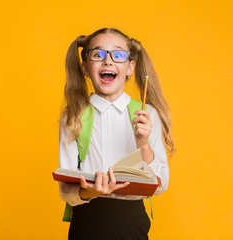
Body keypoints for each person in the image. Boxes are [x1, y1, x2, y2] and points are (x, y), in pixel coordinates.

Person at [58, 28, 175, 240]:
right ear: (85, 67)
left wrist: (144, 145)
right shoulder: (73, 116)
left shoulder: (147, 115)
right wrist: (93, 191)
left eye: (118, 55)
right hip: (87, 221)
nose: (108, 61)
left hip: (131, 224)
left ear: (130, 67)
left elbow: (160, 185)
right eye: (98, 54)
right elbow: (67, 192)